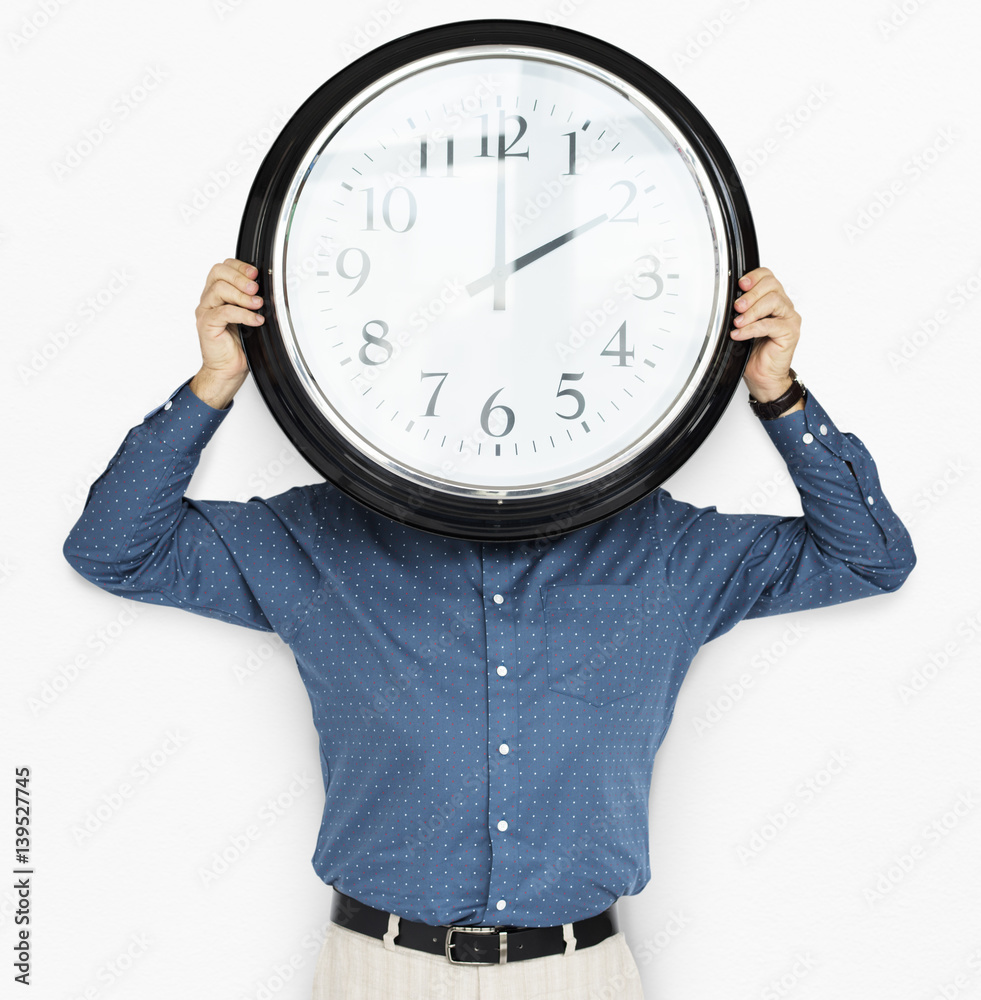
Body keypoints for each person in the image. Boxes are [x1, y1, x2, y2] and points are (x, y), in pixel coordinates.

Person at [63, 258, 915, 999]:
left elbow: (871, 557)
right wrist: (214, 380)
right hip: (377, 971)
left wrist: (778, 392)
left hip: (576, 974)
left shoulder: (668, 554)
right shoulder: (320, 539)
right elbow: (113, 550)